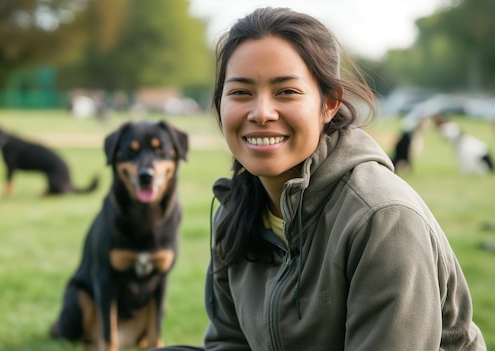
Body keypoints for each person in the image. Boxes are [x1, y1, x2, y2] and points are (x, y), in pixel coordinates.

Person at [151, 7, 486, 351]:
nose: (261, 112)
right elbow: (229, 342)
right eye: (240, 92)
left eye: (286, 92)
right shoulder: (234, 210)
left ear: (329, 104)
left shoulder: (383, 219)